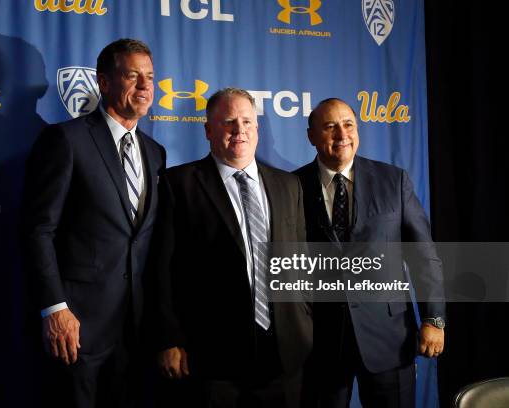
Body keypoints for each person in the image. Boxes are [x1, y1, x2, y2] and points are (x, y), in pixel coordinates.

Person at [22, 38, 165, 407]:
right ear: (103, 82)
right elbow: (38, 230)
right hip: (78, 328)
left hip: (136, 330)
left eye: (150, 76)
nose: (145, 86)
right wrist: (55, 308)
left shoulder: (155, 153)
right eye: (133, 75)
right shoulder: (65, 140)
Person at [152, 88, 313, 408]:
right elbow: (162, 269)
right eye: (228, 122)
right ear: (209, 130)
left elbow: (300, 257)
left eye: (247, 121)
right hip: (212, 355)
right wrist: (169, 338)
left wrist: (304, 320)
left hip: (284, 351)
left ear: (257, 128)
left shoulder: (288, 184)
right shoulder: (178, 183)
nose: (239, 130)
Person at [293, 98, 445, 407]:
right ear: (311, 136)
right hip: (321, 342)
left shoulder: (394, 180)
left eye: (348, 124)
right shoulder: (291, 185)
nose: (341, 135)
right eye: (330, 126)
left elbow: (422, 254)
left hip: (389, 337)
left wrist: (434, 318)